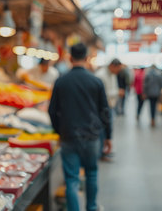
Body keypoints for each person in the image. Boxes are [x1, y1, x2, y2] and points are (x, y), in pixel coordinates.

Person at [48, 43, 112, 211]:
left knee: (71, 179)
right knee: (91, 173)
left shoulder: (61, 81)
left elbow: (52, 111)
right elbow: (105, 111)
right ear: (86, 58)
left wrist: (58, 131)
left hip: (68, 135)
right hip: (92, 137)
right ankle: (91, 207)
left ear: (70, 58)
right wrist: (109, 136)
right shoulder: (96, 81)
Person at [95, 59, 122, 161]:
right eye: (117, 69)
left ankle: (104, 151)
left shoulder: (112, 74)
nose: (118, 71)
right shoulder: (101, 75)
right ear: (112, 66)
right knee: (102, 129)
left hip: (110, 106)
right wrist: (117, 93)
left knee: (107, 128)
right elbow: (102, 95)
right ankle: (100, 153)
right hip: (103, 107)